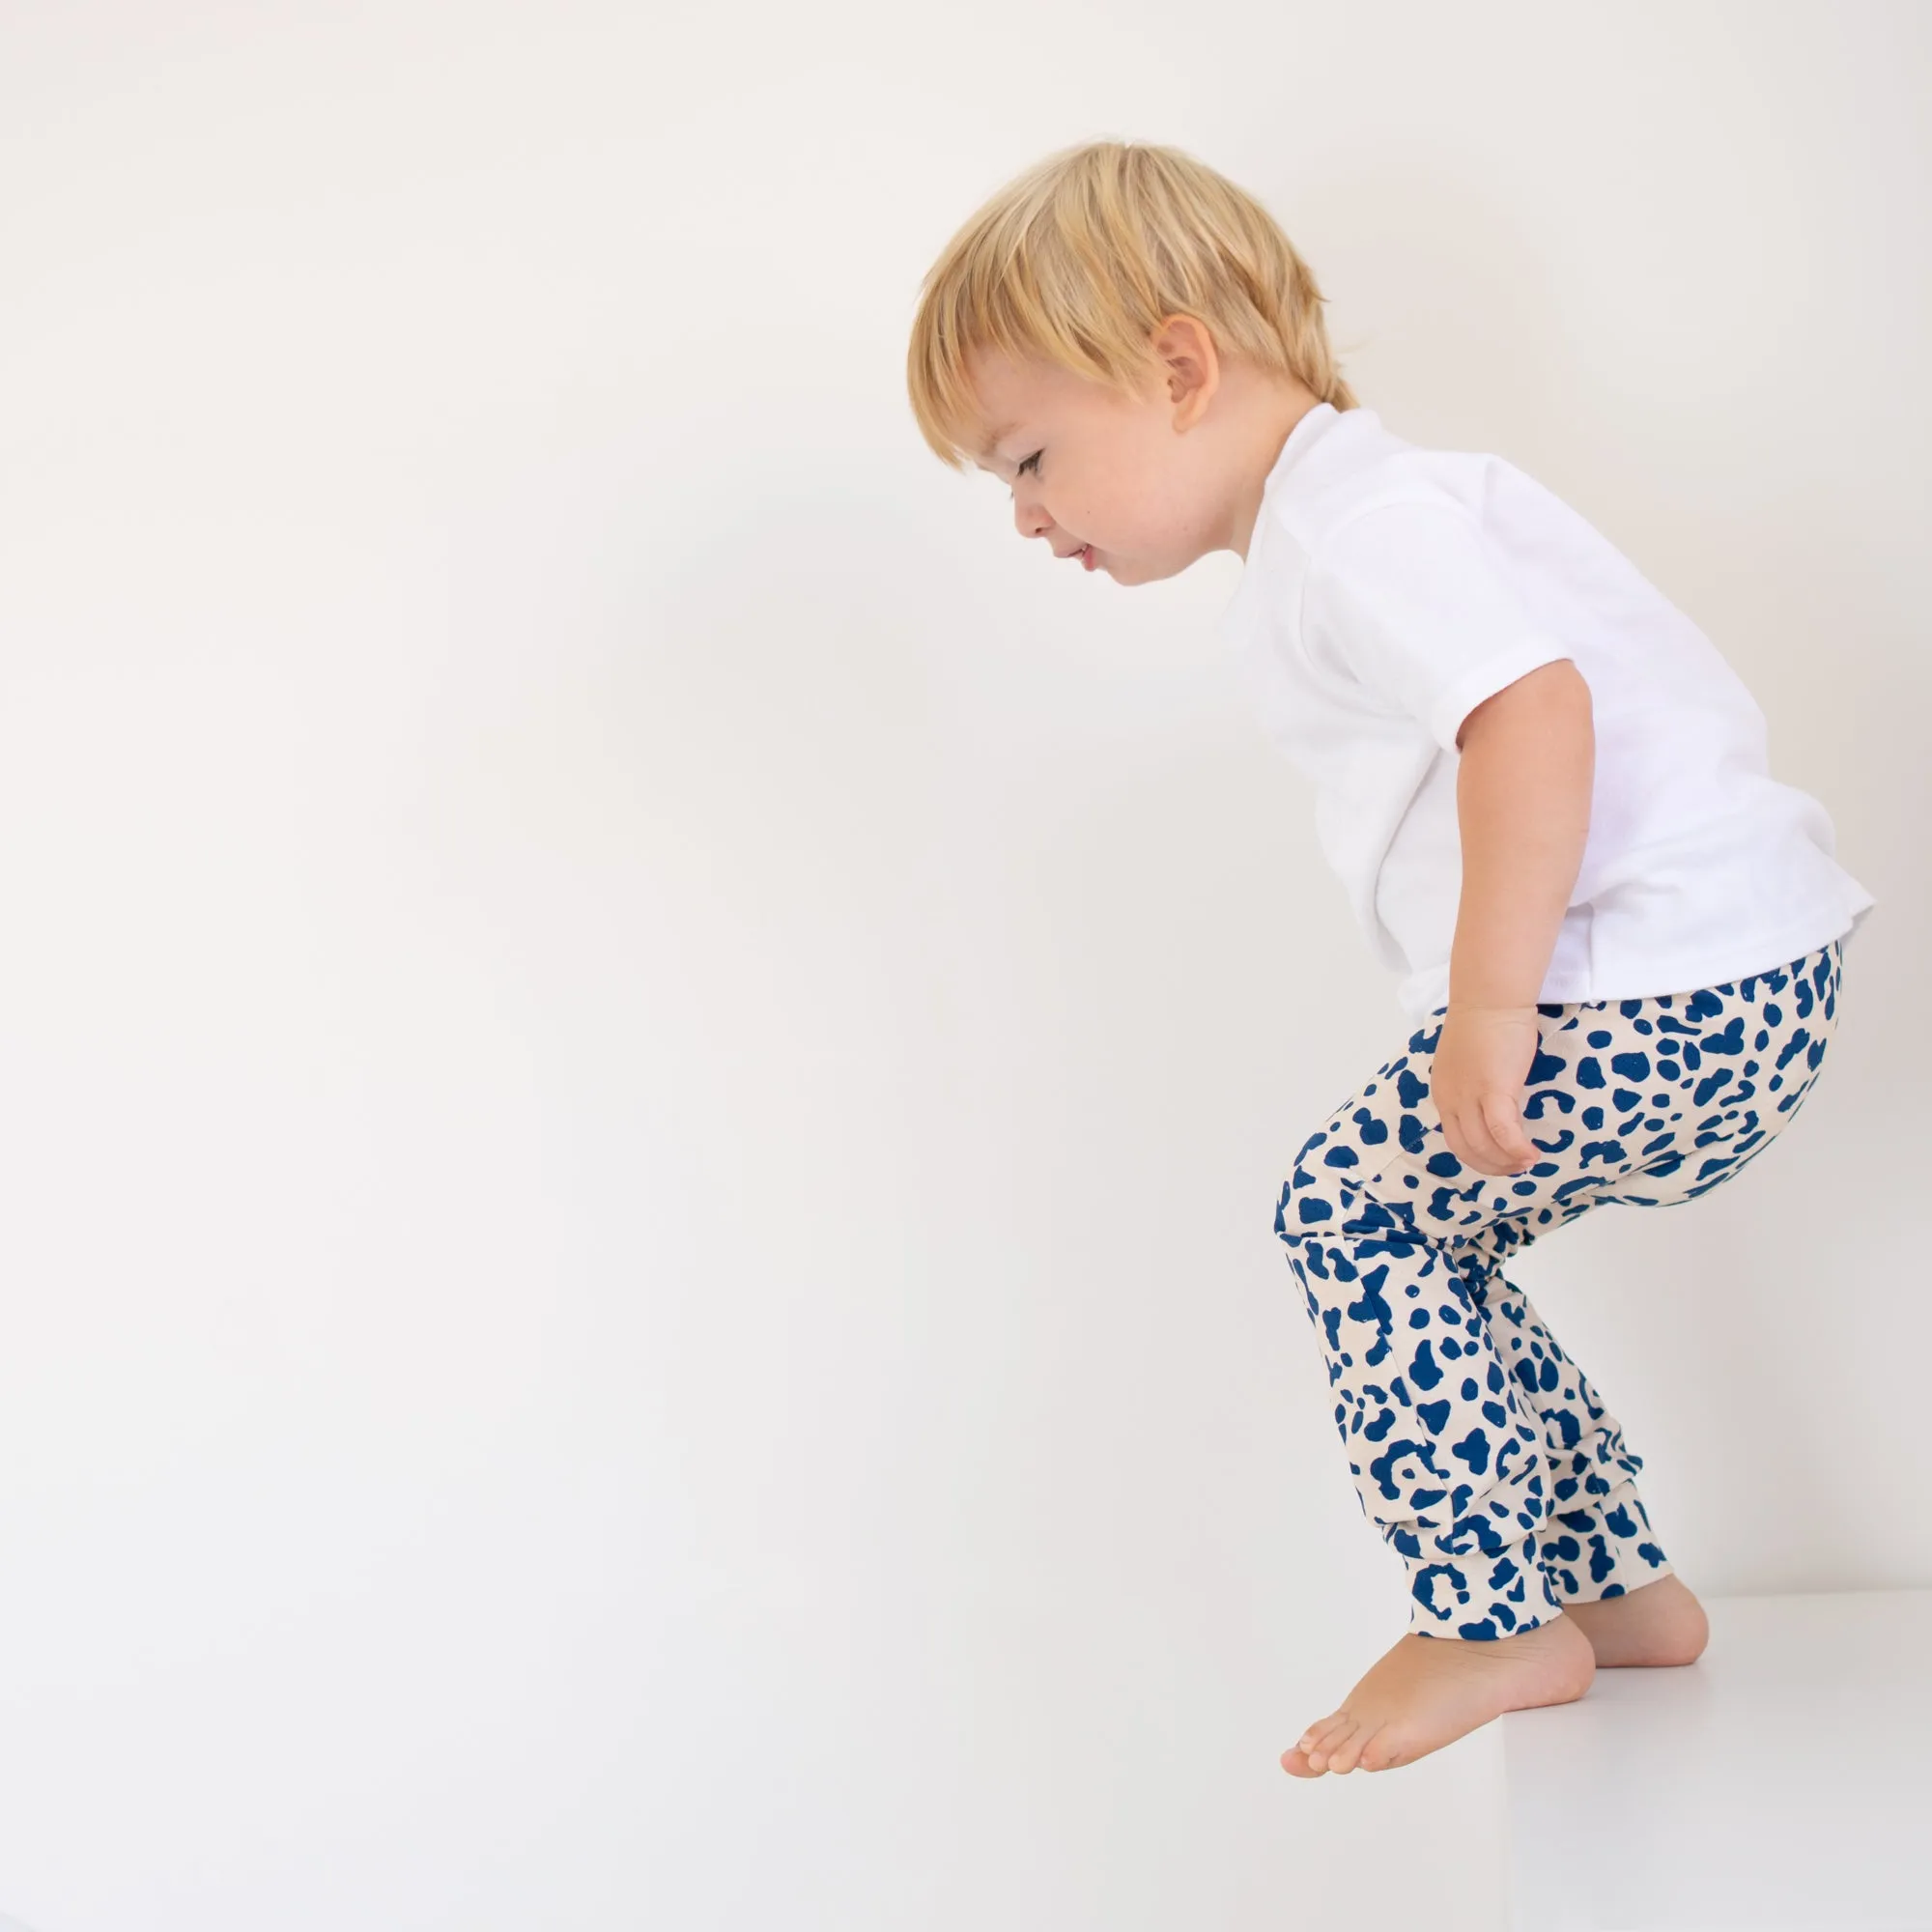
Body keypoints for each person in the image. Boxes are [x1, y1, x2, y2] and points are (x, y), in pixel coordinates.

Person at [904, 138, 1876, 1776]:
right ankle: (1610, 1588)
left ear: (1178, 366)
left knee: (1348, 1211)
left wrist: (1490, 1007)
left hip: (1663, 983)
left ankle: (1491, 1621)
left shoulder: (1358, 524)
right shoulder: (1355, 519)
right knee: (1441, 1239)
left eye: (1030, 457)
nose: (1024, 515)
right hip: (1747, 984)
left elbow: (1531, 711)